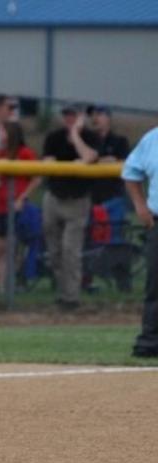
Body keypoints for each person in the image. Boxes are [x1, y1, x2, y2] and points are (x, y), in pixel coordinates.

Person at [41, 104, 100, 310]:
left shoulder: (91, 137)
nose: (69, 119)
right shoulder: (53, 137)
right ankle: (63, 293)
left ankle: (72, 298)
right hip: (54, 197)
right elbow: (47, 164)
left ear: (81, 117)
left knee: (70, 250)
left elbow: (90, 157)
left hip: (77, 199)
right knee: (54, 251)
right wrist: (74, 165)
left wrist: (75, 135)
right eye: (66, 115)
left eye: (73, 115)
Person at [0, 121, 40, 293]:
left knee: (11, 247)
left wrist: (22, 198)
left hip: (15, 208)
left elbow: (36, 178)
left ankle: (7, 285)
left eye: (2, 131)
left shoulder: (25, 154)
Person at [123, 126, 158, 358]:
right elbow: (131, 172)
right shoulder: (153, 138)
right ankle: (150, 341)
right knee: (155, 285)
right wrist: (140, 205)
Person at [89, 105, 130, 206]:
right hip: (90, 198)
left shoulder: (120, 141)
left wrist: (96, 161)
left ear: (108, 118)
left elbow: (124, 163)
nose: (94, 118)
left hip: (112, 197)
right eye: (92, 116)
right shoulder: (88, 141)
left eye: (98, 115)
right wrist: (105, 160)